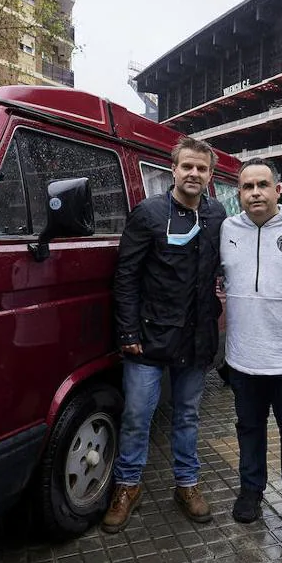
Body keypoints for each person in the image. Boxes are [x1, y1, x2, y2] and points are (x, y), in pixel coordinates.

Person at [101, 136, 227, 533]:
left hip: (196, 337)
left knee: (188, 415)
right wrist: (127, 330)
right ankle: (128, 487)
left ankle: (186, 485)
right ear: (173, 170)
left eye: (201, 168)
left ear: (209, 175)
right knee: (138, 416)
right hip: (148, 339)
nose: (194, 173)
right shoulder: (149, 213)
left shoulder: (218, 215)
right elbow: (126, 276)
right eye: (187, 166)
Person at [220, 158, 282, 547]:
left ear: (279, 190)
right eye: (248, 187)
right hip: (243, 356)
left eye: (263, 185)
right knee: (248, 430)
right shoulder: (228, 228)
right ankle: (251, 492)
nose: (256, 193)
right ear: (239, 193)